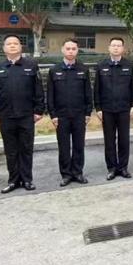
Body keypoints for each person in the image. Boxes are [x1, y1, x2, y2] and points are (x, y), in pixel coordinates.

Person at [0, 34, 45, 193]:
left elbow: (38, 90)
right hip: (6, 116)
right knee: (10, 150)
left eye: (15, 43)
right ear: (4, 48)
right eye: (9, 44)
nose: (12, 46)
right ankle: (13, 181)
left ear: (20, 46)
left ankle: (27, 180)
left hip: (26, 115)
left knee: (26, 149)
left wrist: (39, 110)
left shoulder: (31, 66)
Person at [46, 39, 93, 186]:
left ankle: (78, 172)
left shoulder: (83, 69)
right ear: (62, 50)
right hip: (61, 116)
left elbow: (88, 93)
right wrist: (53, 114)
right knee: (64, 147)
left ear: (77, 50)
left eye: (73, 48)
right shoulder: (54, 70)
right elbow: (50, 95)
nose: (71, 51)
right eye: (68, 48)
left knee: (79, 145)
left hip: (79, 115)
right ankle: (66, 174)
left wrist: (88, 112)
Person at [94, 37, 133, 180]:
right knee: (109, 140)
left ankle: (123, 167)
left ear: (123, 48)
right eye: (113, 45)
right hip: (107, 109)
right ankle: (112, 168)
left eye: (119, 45)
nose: (116, 48)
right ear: (109, 48)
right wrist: (98, 108)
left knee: (124, 139)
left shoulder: (129, 65)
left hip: (124, 109)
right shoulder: (101, 66)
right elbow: (97, 89)